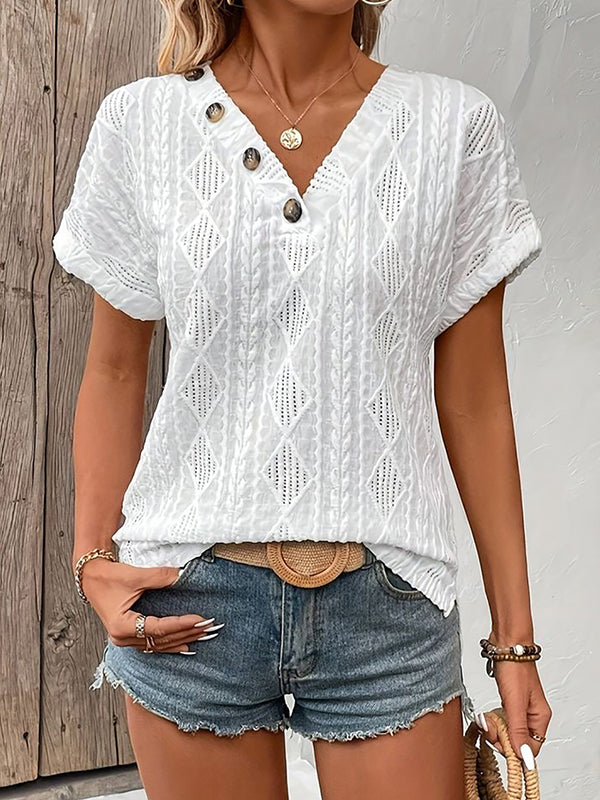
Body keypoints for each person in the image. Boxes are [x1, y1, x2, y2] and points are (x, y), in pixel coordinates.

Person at [52, 0, 553, 797]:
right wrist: (93, 562)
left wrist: (514, 642)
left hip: (388, 605)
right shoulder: (141, 124)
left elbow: (477, 401)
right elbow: (113, 373)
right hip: (189, 600)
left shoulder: (454, 128)